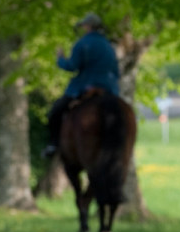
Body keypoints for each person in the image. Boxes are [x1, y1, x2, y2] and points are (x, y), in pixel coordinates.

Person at [42, 12, 121, 158]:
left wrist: (60, 59)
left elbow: (72, 66)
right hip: (109, 88)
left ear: (88, 26)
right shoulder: (108, 45)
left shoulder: (82, 43)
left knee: (56, 111)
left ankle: (53, 144)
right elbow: (116, 72)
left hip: (85, 85)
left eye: (84, 24)